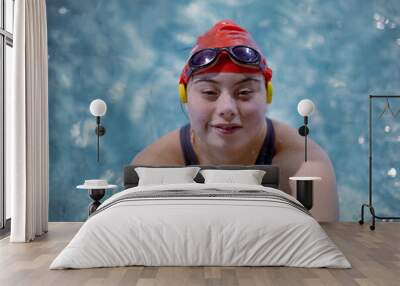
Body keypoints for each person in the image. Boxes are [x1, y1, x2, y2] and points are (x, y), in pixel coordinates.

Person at [132, 20, 338, 222]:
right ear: (184, 96)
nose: (227, 109)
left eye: (245, 92)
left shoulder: (304, 166)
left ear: (268, 95)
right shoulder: (155, 166)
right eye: (209, 92)